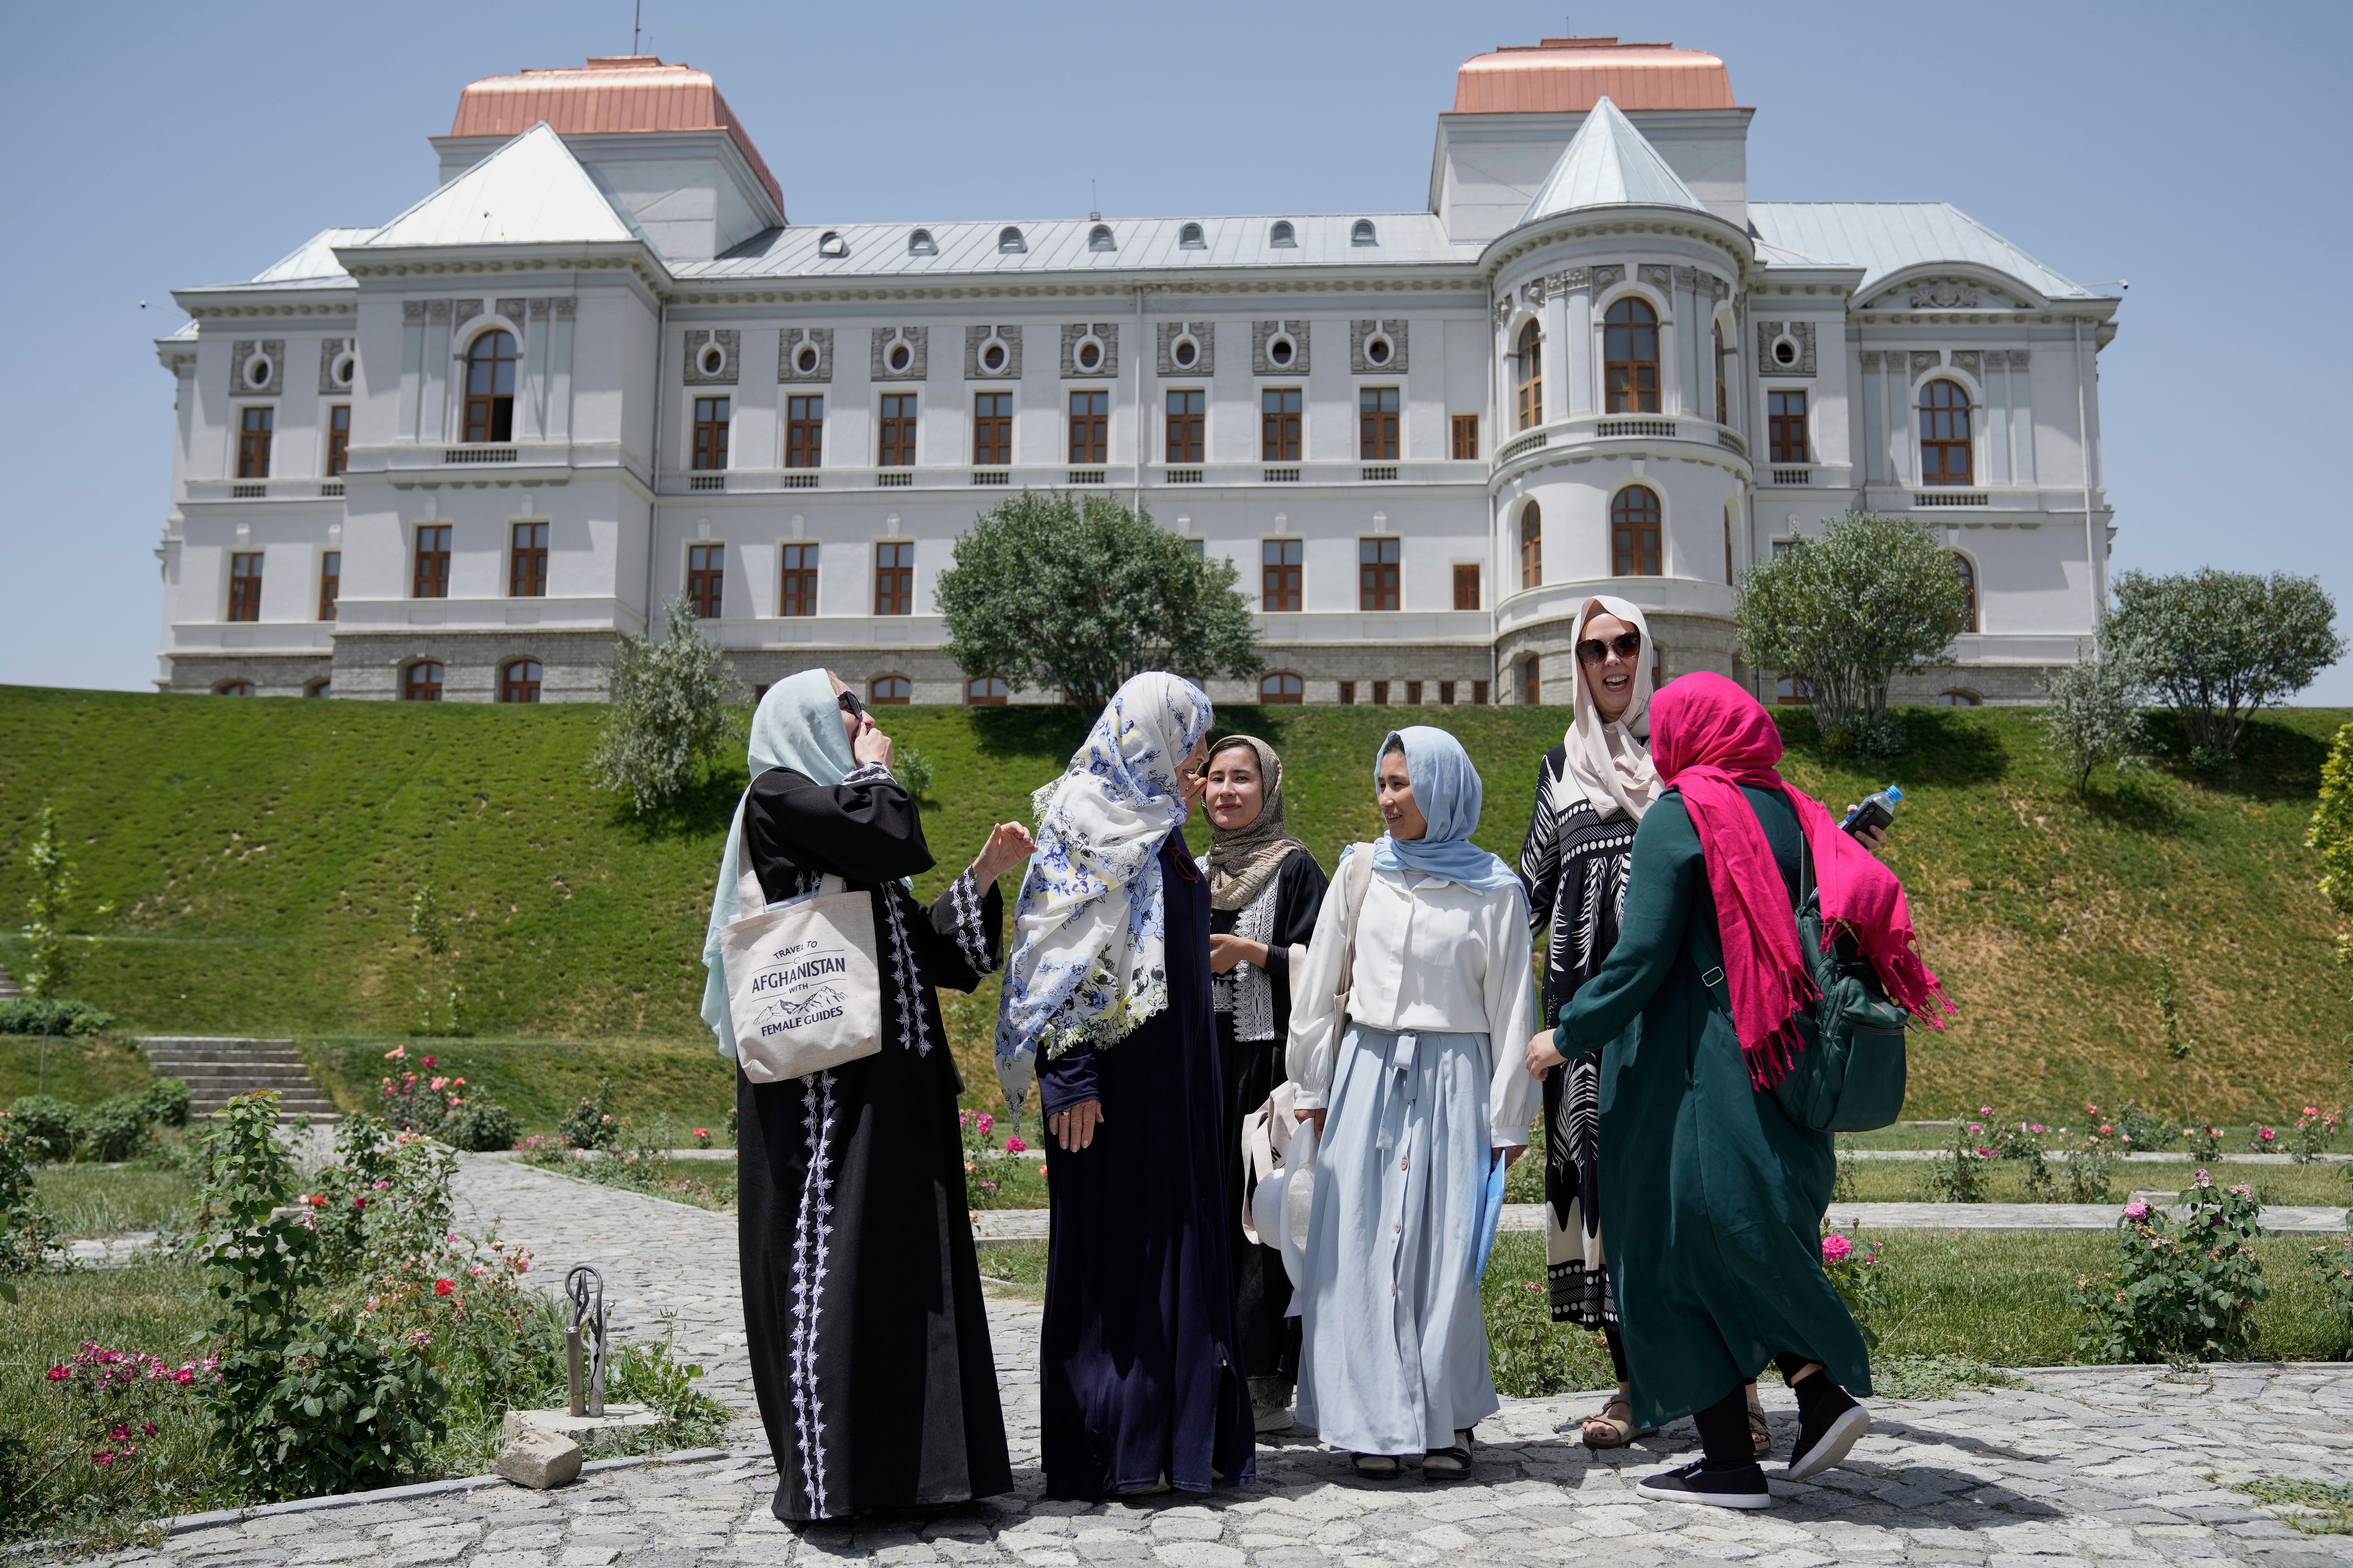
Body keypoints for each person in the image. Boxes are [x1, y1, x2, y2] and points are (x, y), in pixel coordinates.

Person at [1555, 671, 1951, 1509]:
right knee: (1734, 1239)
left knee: (1675, 1247)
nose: (1657, 742)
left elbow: (1640, 955)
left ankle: (1803, 1407)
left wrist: (1567, 1031)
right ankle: (1745, 1448)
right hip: (1784, 1058)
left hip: (1694, 1071)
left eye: (1664, 727)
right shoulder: (1794, 811)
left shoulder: (1680, 814)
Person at [701, 669, 1036, 1524]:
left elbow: (917, 947)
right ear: (809, 717)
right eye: (851, 704)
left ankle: (925, 1471)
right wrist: (875, 772)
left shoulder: (841, 820)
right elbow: (888, 832)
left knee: (906, 1268)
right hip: (828, 1093)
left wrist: (984, 872)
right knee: (835, 1258)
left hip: (892, 1089)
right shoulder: (780, 796)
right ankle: (835, 1478)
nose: (867, 717)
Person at [995, 672, 1255, 1501]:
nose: (1200, 764)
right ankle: (1112, 1447)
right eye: (1191, 744)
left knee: (1178, 1252)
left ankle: (1176, 1447)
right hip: (1104, 1088)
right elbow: (1047, 953)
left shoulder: (1161, 827)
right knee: (1114, 1262)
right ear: (1149, 735)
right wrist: (1067, 1073)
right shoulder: (1081, 818)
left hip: (1174, 1086)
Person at [1286, 726, 1537, 1480]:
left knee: (1444, 1250)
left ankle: (1446, 1417)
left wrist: (1507, 1117)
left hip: (1455, 1078)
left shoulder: (1494, 888)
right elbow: (1320, 986)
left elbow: (1513, 1007)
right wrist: (1311, 1086)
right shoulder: (1363, 871)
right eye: (1383, 782)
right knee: (1359, 1245)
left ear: (1443, 787)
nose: (1387, 798)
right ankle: (1370, 1418)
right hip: (1365, 1072)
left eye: (1403, 783)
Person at [1514, 597, 1666, 1452]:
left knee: (1678, 1194)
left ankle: (1730, 1386)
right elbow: (1523, 897)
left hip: (1670, 1020)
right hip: (1579, 1029)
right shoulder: (1559, 769)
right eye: (1591, 649)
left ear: (1647, 652)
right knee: (1602, 1202)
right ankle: (1635, 1379)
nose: (1609, 660)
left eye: (1624, 643)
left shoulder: (1683, 759)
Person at [1198, 735, 1330, 1434]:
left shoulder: (1296, 868)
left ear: (1268, 787)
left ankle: (1269, 1380)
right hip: (1207, 1066)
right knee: (1215, 1213)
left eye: (1241, 778)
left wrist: (1254, 953)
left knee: (1265, 1218)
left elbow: (1332, 964)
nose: (1226, 791)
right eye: (1216, 778)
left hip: (1270, 1067)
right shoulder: (1194, 872)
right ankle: (1216, 1363)